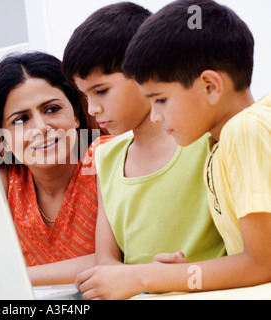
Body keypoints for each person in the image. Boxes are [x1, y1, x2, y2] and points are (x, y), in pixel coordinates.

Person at [76, 0, 271, 299]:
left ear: (210, 87)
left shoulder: (245, 130)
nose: (155, 115)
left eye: (161, 99)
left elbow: (262, 264)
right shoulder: (219, 141)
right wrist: (180, 275)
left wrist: (149, 275)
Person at [0, 51, 111, 285]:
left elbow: (116, 260)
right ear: (4, 136)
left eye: (52, 109)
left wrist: (17, 277)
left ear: (76, 113)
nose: (40, 127)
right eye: (20, 120)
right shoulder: (4, 180)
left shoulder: (105, 158)